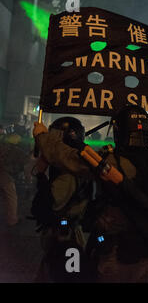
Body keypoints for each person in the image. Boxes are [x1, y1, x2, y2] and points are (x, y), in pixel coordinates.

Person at [33, 105, 148, 282]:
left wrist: (42, 136)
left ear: (119, 130)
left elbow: (64, 156)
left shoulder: (108, 163)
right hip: (147, 253)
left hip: (115, 253)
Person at [33, 117, 94, 282]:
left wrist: (40, 175)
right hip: (68, 234)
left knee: (64, 276)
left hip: (65, 237)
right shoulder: (73, 165)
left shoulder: (67, 174)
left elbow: (47, 206)